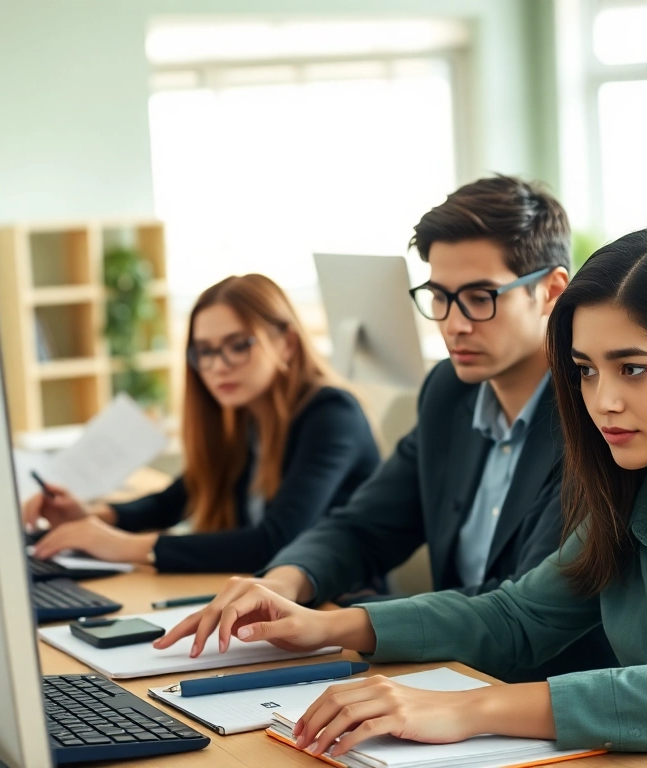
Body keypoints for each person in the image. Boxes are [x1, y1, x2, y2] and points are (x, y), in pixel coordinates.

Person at [157, 227, 647, 767]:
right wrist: (325, 626)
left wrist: (466, 710)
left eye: (633, 368)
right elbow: (517, 617)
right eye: (583, 370)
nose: (601, 400)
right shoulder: (635, 488)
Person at [160, 175, 616, 682]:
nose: (453, 324)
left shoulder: (596, 416)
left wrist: (338, 624)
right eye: (439, 296)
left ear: (551, 291)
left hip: (543, 696)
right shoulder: (450, 392)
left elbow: (519, 609)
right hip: (445, 674)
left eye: (480, 297)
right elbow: (364, 526)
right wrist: (286, 583)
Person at [22, 274, 380, 574]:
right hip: (265, 596)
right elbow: (173, 500)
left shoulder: (333, 414)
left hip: (339, 606)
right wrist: (92, 516)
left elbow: (275, 540)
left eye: (238, 345)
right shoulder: (244, 415)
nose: (218, 366)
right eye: (205, 351)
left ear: (286, 343)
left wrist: (125, 546)